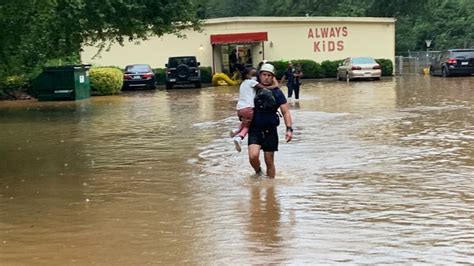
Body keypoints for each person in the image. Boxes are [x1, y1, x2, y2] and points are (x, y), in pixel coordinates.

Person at [248, 63, 293, 178]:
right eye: (264, 74)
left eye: (269, 75)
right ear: (260, 75)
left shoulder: (277, 92)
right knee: (253, 156)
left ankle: (271, 190)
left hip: (270, 130)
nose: (266, 77)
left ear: (272, 77)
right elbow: (242, 104)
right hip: (255, 129)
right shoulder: (252, 89)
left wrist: (289, 129)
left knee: (269, 161)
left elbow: (285, 111)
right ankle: (258, 172)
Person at [231, 67, 279, 152]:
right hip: (248, 108)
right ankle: (239, 137)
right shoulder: (252, 82)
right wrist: (275, 85)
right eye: (253, 75)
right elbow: (264, 88)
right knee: (248, 125)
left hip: (239, 109)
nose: (255, 77)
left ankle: (236, 130)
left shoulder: (243, 83)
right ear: (247, 75)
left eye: (256, 75)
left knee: (245, 122)